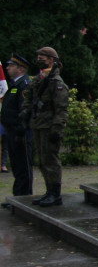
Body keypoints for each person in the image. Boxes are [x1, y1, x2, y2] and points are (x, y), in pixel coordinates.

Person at [19, 47, 68, 207]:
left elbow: (61, 109)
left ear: (52, 60)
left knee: (50, 161)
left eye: (43, 57)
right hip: (38, 125)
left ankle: (55, 193)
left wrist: (57, 129)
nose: (39, 59)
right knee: (42, 161)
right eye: (38, 56)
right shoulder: (39, 79)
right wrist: (26, 112)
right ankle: (49, 191)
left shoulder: (56, 83)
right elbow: (29, 98)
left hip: (49, 127)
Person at [1, 54, 34, 205]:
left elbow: (25, 110)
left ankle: (25, 197)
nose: (7, 68)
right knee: (16, 166)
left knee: (23, 166)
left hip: (21, 132)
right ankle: (18, 197)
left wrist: (21, 129)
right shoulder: (15, 85)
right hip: (11, 131)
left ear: (20, 69)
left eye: (11, 66)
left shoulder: (24, 85)